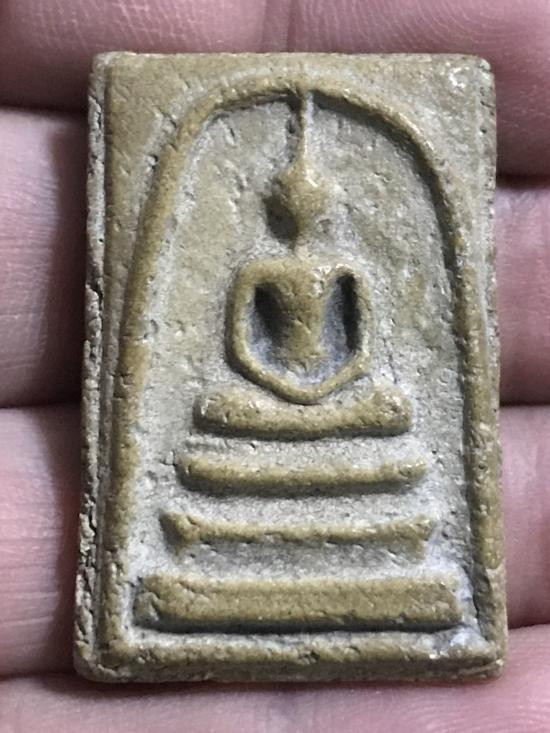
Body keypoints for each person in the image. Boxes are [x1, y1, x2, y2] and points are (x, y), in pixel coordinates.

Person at [1, 1, 549, 730]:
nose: (302, 213)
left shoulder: (346, 266)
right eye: (290, 204)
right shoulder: (258, 266)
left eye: (310, 204)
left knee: (389, 410)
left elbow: (362, 347)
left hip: (342, 397)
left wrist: (330, 386)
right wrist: (278, 384)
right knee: (219, 417)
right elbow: (239, 344)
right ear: (275, 208)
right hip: (261, 396)